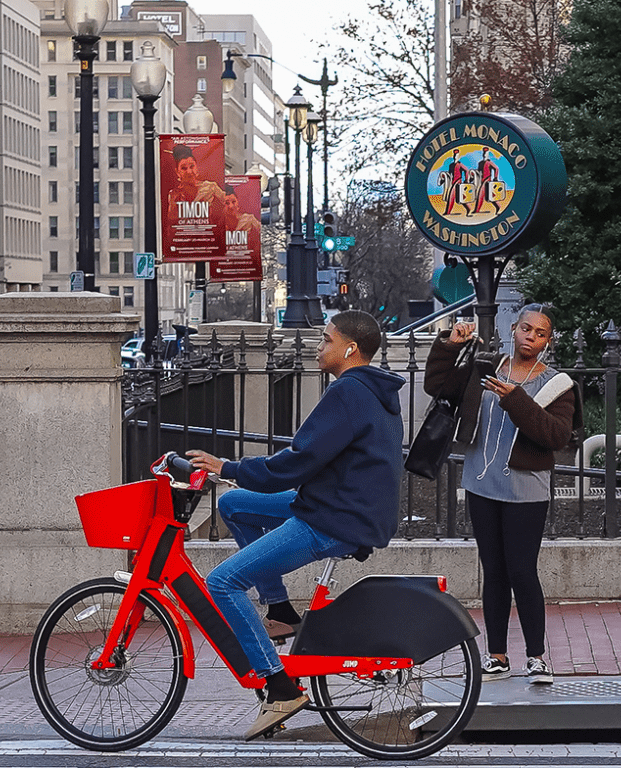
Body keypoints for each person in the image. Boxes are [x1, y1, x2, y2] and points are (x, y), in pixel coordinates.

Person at [183, 311, 404, 739]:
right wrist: (237, 478)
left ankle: (278, 687)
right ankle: (280, 609)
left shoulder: (348, 393)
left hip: (334, 517)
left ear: (350, 349)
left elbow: (298, 461)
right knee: (234, 506)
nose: (318, 348)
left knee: (222, 583)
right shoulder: (372, 391)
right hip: (344, 503)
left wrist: (229, 465)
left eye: (326, 340)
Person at [425, 305, 576, 684]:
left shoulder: (558, 384)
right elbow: (437, 387)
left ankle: (537, 658)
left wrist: (515, 399)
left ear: (548, 341)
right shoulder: (486, 367)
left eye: (540, 333)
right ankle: (497, 656)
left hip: (526, 491)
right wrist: (448, 345)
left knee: (522, 572)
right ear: (514, 328)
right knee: (493, 571)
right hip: (481, 483)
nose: (531, 337)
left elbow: (556, 437)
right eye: (526, 328)